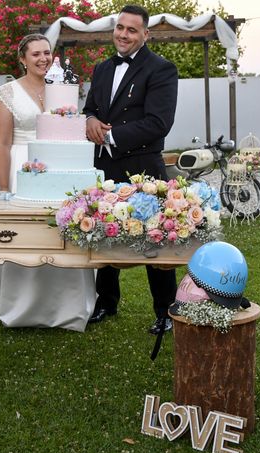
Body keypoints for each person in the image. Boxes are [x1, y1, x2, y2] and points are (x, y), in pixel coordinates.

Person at [0, 34, 96, 332]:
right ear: (22, 59)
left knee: (61, 234)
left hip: (58, 170)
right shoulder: (7, 94)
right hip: (18, 169)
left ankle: (66, 304)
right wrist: (3, 188)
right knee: (22, 236)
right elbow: (1, 143)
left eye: (47, 53)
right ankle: (19, 304)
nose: (42, 59)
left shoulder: (62, 90)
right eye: (35, 54)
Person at [83, 5, 178, 334]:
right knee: (104, 233)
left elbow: (159, 123)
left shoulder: (162, 69)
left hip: (144, 168)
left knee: (155, 236)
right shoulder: (101, 68)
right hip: (106, 166)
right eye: (119, 28)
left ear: (145, 34)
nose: (123, 34)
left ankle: (165, 310)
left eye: (131, 30)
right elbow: (91, 108)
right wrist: (92, 121)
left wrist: (110, 135)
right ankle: (106, 301)